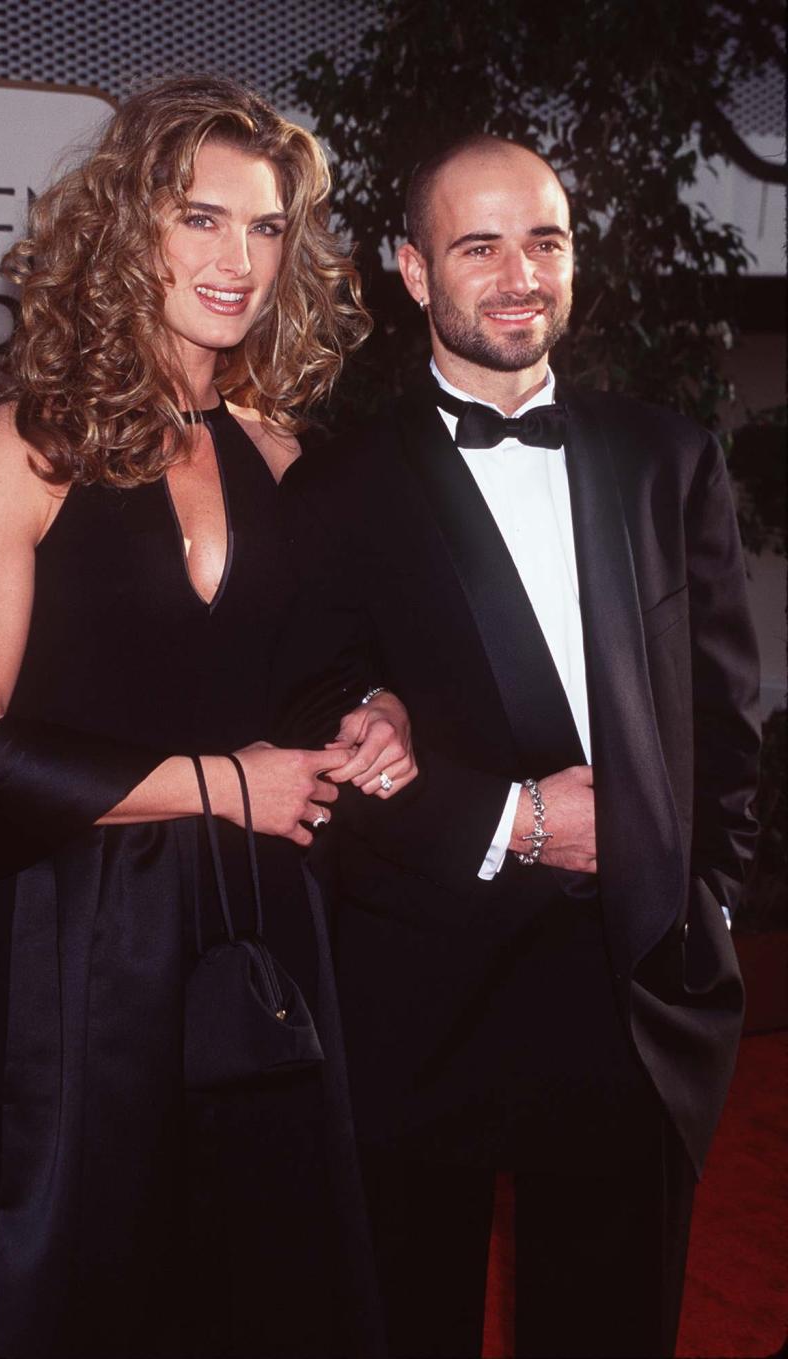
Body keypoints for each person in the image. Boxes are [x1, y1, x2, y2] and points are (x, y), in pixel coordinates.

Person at [0, 74, 414, 1359]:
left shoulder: (285, 451)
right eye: (201, 219)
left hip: (265, 932)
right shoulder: (24, 446)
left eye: (264, 227)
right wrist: (215, 783)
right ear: (130, 227)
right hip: (77, 944)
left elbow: (309, 684)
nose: (237, 260)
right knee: (78, 1295)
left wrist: (376, 715)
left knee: (263, 1293)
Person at [280, 134, 760, 1358]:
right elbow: (316, 746)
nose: (517, 275)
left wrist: (696, 904)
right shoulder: (333, 489)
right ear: (410, 269)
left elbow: (724, 724)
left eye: (543, 240)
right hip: (422, 987)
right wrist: (513, 819)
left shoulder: (669, 460)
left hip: (630, 989)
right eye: (476, 245)